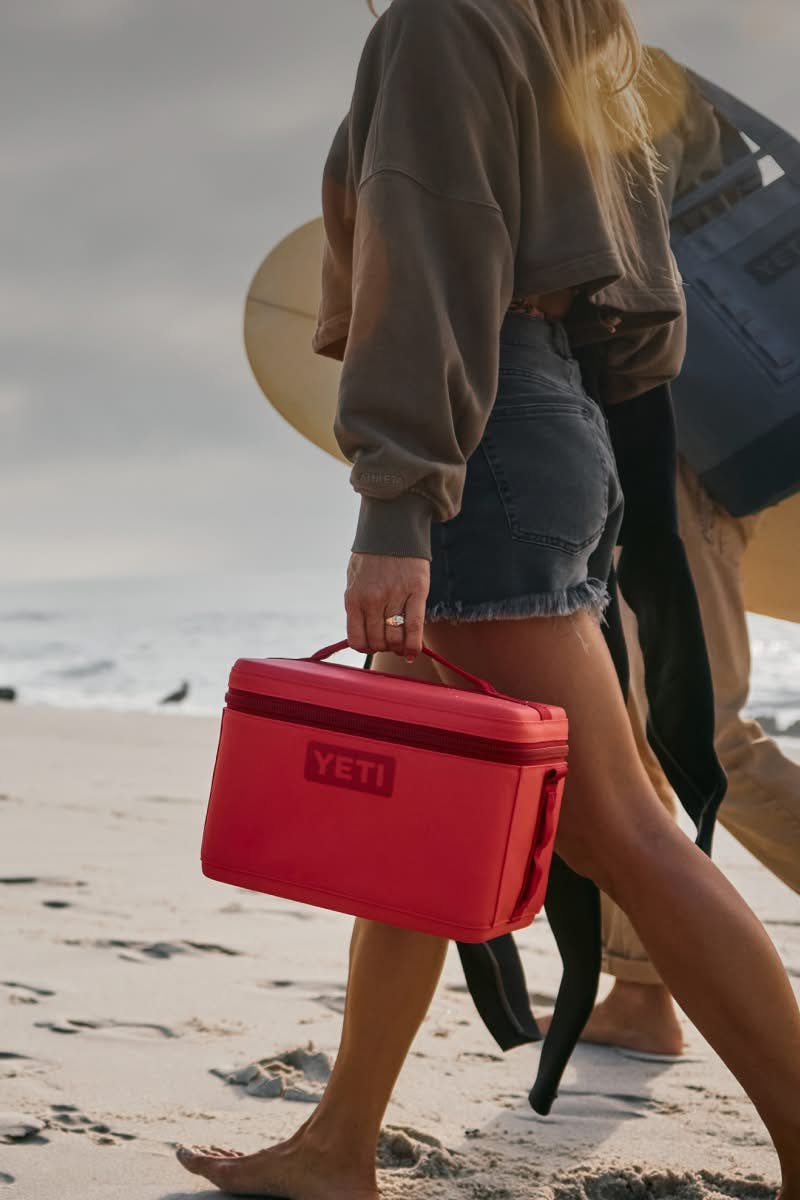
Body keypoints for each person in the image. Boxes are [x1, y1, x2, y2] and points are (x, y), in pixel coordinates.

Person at [177, 3, 800, 1195]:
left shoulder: (443, 19)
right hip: (553, 415)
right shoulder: (587, 29)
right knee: (422, 814)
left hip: (483, 433)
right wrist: (587, 437)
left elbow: (429, 251)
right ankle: (335, 1142)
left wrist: (396, 505)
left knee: (619, 826)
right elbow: (647, 285)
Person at [566, 50, 800, 1059]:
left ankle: (640, 989)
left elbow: (623, 255)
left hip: (676, 441)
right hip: (633, 439)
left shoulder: (609, 77)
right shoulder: (588, 69)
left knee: (698, 728)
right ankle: (638, 992)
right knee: (627, 728)